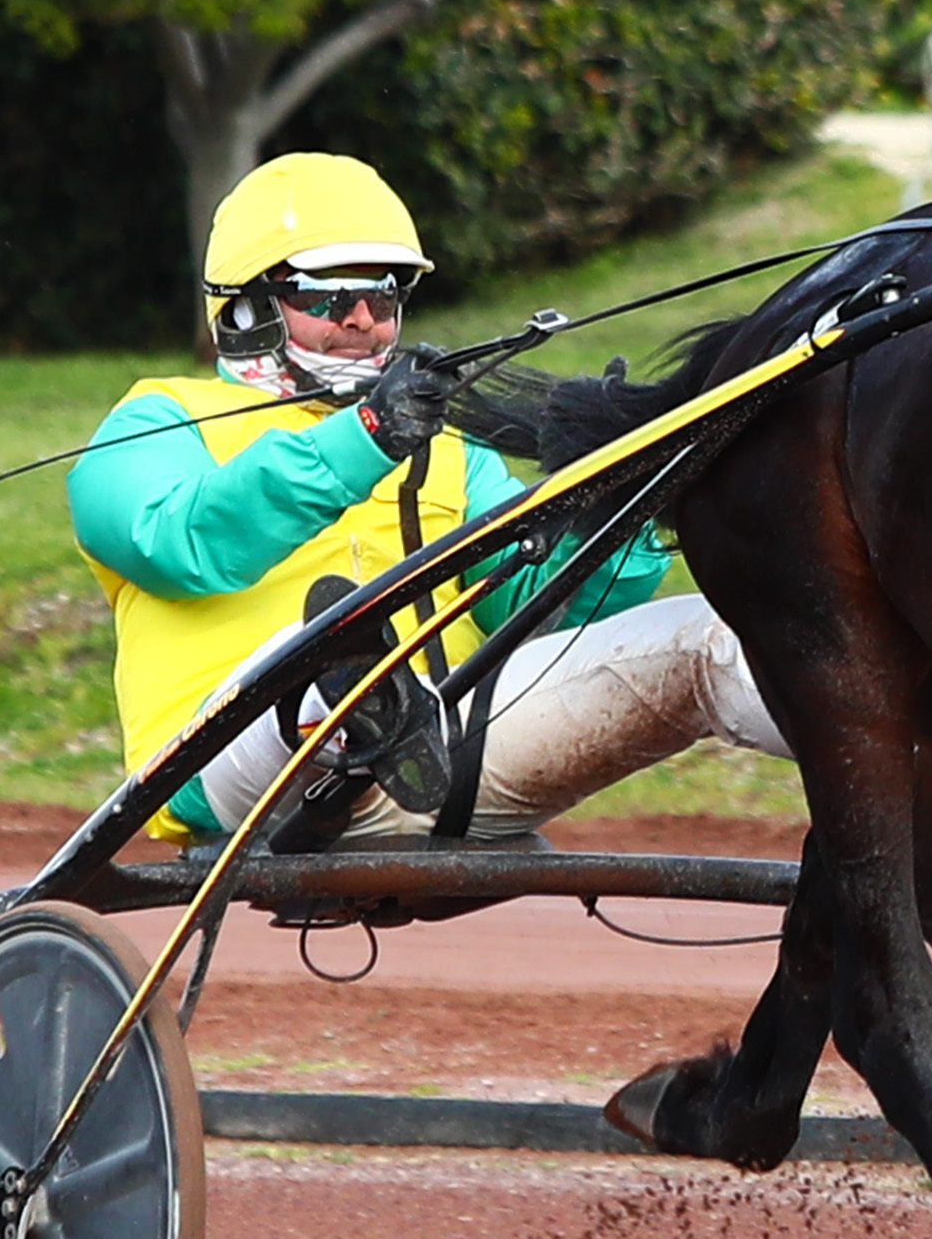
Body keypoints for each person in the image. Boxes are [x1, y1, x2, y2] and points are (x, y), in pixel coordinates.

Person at [70, 152, 779, 845]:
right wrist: (367, 439)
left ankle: (883, 742)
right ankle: (360, 696)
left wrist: (617, 502)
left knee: (704, 635)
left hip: (461, 754)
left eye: (381, 296)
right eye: (327, 296)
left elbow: (535, 614)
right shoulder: (156, 420)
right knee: (326, 644)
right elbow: (178, 546)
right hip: (241, 771)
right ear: (247, 304)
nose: (361, 319)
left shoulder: (452, 450)